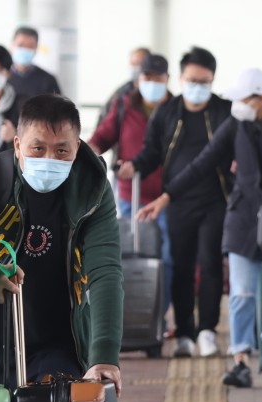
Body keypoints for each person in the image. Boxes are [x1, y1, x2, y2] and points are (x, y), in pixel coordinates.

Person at [138, 69, 262, 388]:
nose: (238, 104)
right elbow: (202, 162)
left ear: (261, 98)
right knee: (242, 293)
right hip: (242, 220)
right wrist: (166, 196)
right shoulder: (237, 124)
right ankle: (240, 359)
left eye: (243, 99)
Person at [0, 94, 124, 394]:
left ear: (77, 148)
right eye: (38, 148)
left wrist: (104, 355)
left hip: (61, 340)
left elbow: (105, 270)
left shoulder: (93, 191)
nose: (49, 159)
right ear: (18, 145)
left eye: (61, 151)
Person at [120, 46, 231, 358]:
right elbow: (151, 150)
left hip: (215, 200)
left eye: (204, 81)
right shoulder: (167, 113)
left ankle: (208, 329)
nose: (198, 86)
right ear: (181, 78)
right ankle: (184, 332)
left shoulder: (224, 111)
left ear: (213, 80)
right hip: (178, 200)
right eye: (192, 79)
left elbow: (235, 150)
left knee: (210, 264)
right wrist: (136, 165)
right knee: (180, 266)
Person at [88, 52, 173, 317]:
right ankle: (131, 312)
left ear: (167, 79)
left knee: (167, 258)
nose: (152, 82)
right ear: (138, 80)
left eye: (158, 78)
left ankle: (159, 314)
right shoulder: (124, 106)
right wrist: (86, 152)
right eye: (147, 77)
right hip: (131, 196)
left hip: (167, 197)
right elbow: (103, 136)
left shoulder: (175, 109)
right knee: (128, 256)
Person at [8, 26, 62, 99]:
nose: (25, 49)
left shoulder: (48, 80)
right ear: (12, 46)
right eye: (20, 45)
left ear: (36, 48)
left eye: (30, 46)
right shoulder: (2, 78)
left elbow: (60, 108)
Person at [99, 47, 151, 122]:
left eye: (139, 64)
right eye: (133, 64)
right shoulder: (122, 92)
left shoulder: (158, 92)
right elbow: (105, 115)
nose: (135, 68)